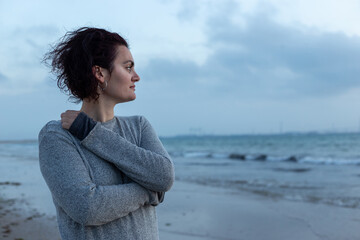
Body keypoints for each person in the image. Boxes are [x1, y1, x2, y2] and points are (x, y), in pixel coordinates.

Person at [38, 27, 175, 240]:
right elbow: (87, 207)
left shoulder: (139, 126)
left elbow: (165, 177)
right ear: (100, 73)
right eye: (128, 67)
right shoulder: (57, 136)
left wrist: (92, 133)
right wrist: (149, 191)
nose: (136, 77)